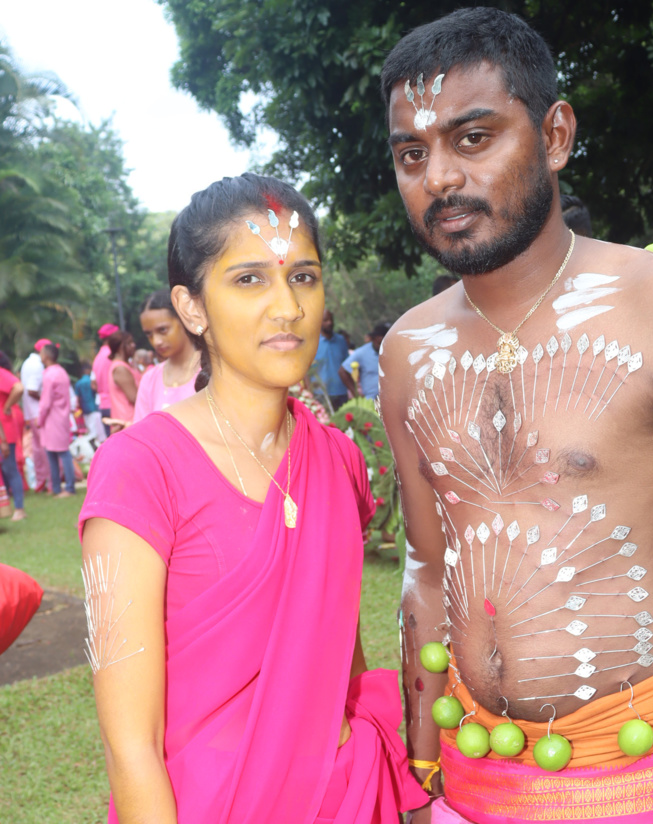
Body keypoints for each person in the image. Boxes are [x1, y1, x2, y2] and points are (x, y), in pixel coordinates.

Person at [378, 9, 653, 824]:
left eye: (473, 138)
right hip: (474, 780)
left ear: (557, 134)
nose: (437, 178)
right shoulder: (409, 351)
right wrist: (423, 779)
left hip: (650, 780)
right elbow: (428, 573)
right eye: (411, 154)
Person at [78, 173, 425, 824]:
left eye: (302, 276)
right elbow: (131, 750)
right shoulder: (136, 470)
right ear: (191, 307)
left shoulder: (335, 459)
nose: (287, 307)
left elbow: (337, 659)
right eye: (249, 279)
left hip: (341, 799)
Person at [134, 289, 201, 421]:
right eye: (149, 334)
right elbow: (143, 431)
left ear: (183, 319)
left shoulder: (214, 368)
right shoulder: (150, 379)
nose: (156, 341)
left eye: (162, 330)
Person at [36, 343, 75, 497]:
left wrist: (39, 419)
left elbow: (45, 402)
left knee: (62, 452)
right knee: (52, 452)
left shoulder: (50, 375)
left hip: (53, 418)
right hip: (61, 416)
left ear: (46, 356)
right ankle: (56, 487)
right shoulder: (61, 372)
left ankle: (69, 487)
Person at [20, 338, 51, 491]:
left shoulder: (27, 362)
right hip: (38, 413)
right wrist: (46, 400)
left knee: (38, 450)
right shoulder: (37, 365)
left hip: (31, 413)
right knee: (46, 449)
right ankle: (51, 482)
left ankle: (41, 482)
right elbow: (32, 390)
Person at [0, 358, 26, 520]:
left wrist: (7, 406)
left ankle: (19, 509)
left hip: (5, 429)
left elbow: (18, 387)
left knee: (10, 468)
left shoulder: (2, 374)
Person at [339, 322, 389, 401]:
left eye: (384, 343)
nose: (382, 346)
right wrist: (356, 394)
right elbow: (342, 371)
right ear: (373, 339)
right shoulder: (362, 353)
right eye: (379, 343)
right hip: (371, 402)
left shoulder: (392, 351)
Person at [313, 309, 351, 409]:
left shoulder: (341, 340)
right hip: (321, 394)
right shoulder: (312, 343)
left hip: (341, 392)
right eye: (325, 320)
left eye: (331, 319)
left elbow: (347, 365)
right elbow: (306, 370)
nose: (329, 323)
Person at [105, 330, 140, 432]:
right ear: (120, 347)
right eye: (129, 343)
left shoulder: (124, 366)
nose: (133, 345)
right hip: (128, 421)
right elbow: (134, 397)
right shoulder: (120, 368)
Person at [93, 323, 119, 436]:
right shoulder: (112, 356)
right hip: (115, 405)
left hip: (103, 405)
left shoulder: (98, 357)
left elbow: (93, 384)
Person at [74, 359, 105, 446]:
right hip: (94, 408)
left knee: (91, 429)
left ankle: (93, 445)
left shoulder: (78, 383)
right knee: (98, 431)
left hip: (85, 409)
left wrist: (80, 409)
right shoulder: (92, 382)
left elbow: (78, 399)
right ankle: (95, 445)